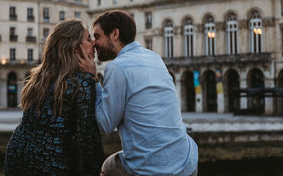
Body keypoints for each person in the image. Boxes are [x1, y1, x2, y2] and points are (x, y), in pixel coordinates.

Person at [78, 10, 198, 176]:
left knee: (107, 167)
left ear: (114, 34)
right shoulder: (154, 57)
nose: (94, 43)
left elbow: (105, 124)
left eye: (97, 37)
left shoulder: (117, 67)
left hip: (152, 169)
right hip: (187, 162)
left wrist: (93, 79)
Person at [4, 19, 104, 176]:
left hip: (18, 154)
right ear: (74, 47)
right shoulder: (83, 83)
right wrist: (93, 77)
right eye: (88, 39)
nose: (94, 44)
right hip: (51, 162)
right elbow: (87, 141)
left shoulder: (39, 77)